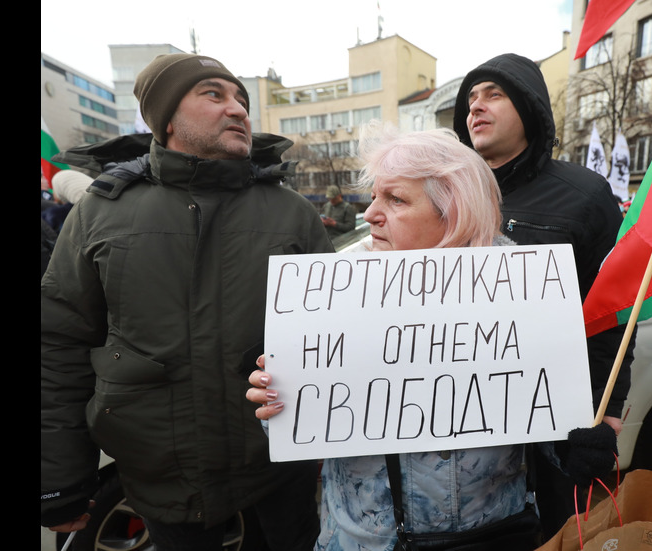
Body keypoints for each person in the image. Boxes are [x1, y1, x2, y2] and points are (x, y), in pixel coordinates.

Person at [246, 123, 619, 551]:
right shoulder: (335, 294)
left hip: (487, 535)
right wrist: (277, 403)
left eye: (396, 199)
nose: (370, 214)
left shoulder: (522, 290)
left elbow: (541, 411)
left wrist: (574, 445)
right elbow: (306, 427)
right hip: (363, 541)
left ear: (453, 213)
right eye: (374, 197)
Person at [41, 53, 332, 550]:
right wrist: (61, 476)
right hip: (160, 473)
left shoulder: (292, 213)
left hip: (278, 471)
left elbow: (337, 339)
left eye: (241, 98)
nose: (238, 109)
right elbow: (61, 341)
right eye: (214, 95)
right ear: (167, 117)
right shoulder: (101, 211)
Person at [451, 53, 632, 537]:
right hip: (466, 410)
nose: (476, 108)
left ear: (529, 108)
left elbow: (612, 311)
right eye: (470, 99)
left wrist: (605, 408)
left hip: (555, 413)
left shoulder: (586, 195)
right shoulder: (444, 194)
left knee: (555, 529)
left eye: (493, 94)